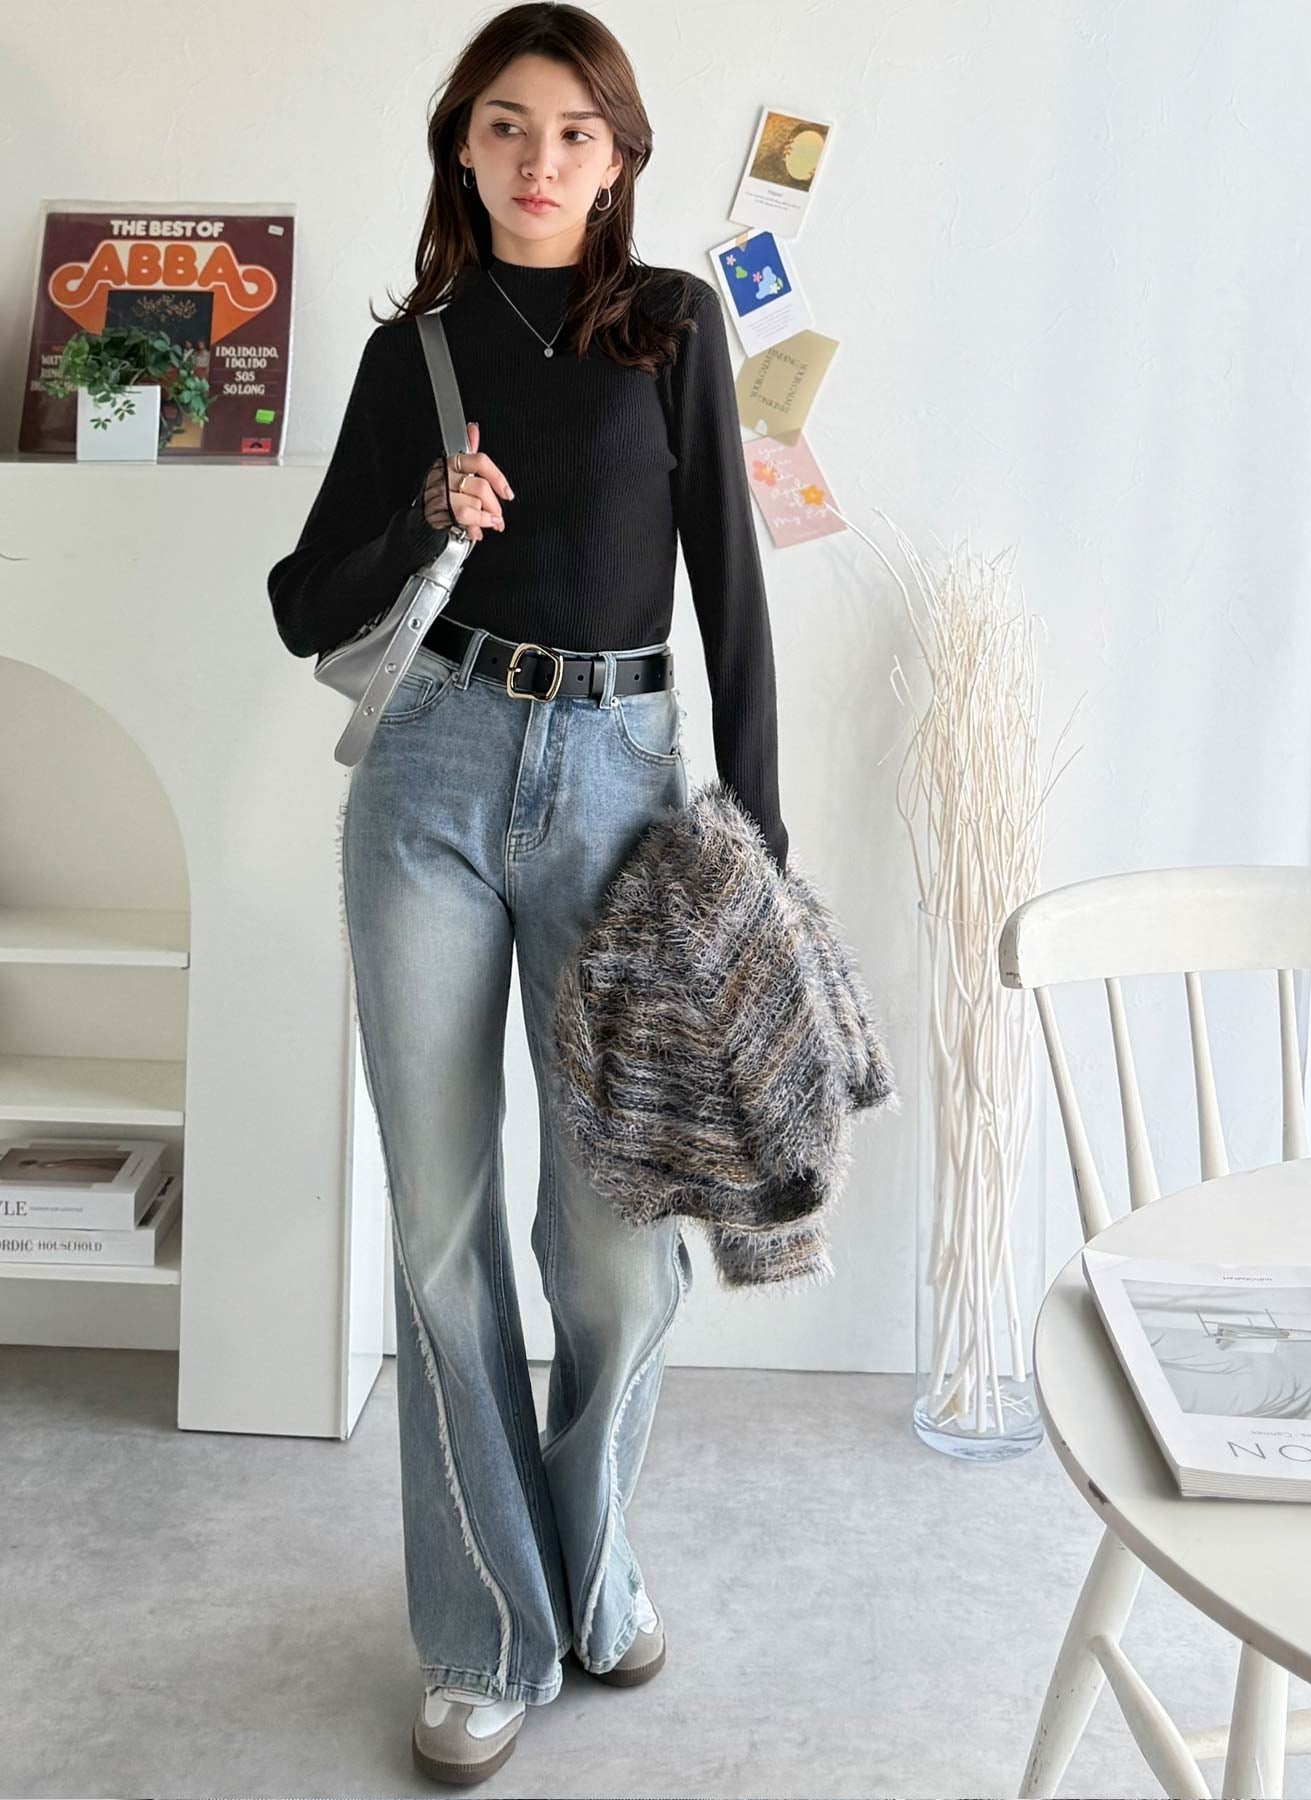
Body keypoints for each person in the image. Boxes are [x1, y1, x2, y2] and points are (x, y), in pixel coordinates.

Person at [265, 4, 789, 1784]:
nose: (540, 158)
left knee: (618, 1244)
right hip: (429, 773)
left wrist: (759, 841)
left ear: (620, 155)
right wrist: (427, 512)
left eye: (574, 130)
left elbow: (732, 587)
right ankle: (488, 1626)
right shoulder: (412, 348)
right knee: (441, 1228)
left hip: (623, 789)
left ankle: (592, 1564)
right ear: (463, 146)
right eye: (506, 124)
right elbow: (303, 601)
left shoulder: (675, 331)